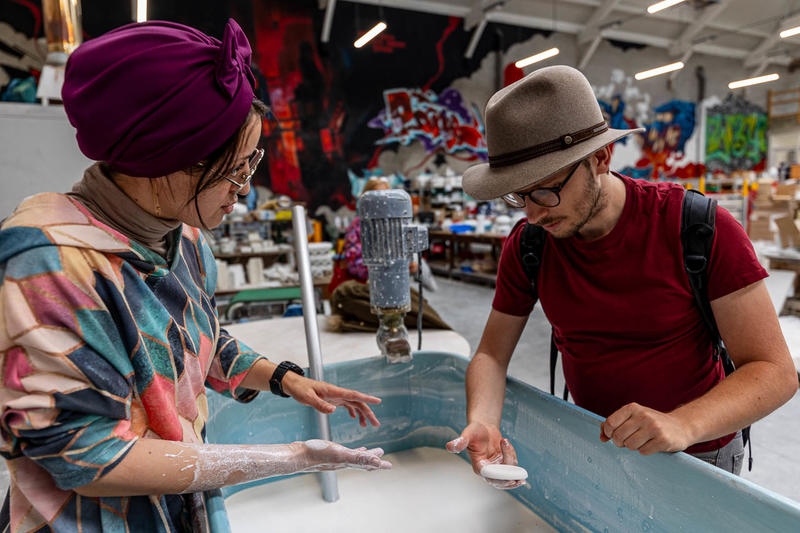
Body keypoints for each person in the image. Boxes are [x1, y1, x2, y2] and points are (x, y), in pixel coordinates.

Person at [0, 20, 391, 532]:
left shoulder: (184, 238)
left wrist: (285, 379)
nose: (245, 190)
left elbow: (194, 343)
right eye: (237, 170)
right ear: (168, 158)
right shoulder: (48, 261)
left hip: (180, 506)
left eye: (253, 165)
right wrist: (294, 457)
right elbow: (84, 456)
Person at [445, 65, 798, 487]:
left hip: (699, 452)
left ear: (600, 158)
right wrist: (483, 420)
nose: (533, 212)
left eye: (545, 188)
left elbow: (774, 371)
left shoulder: (699, 229)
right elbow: (490, 355)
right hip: (595, 445)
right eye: (518, 195)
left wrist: (682, 424)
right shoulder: (530, 245)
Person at [328, 177, 449, 332]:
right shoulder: (358, 227)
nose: (383, 201)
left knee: (420, 309)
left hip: (394, 284)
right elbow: (354, 264)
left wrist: (408, 265)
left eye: (387, 194)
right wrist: (385, 267)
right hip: (367, 284)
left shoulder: (397, 226)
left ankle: (441, 327)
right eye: (378, 195)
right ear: (367, 198)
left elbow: (405, 254)